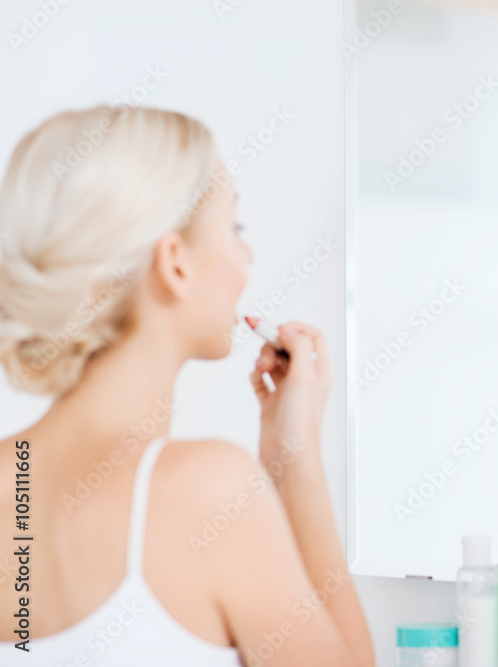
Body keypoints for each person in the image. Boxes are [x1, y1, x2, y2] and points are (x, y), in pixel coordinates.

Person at [0, 105, 374, 666]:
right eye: (235, 228)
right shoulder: (208, 491)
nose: (247, 256)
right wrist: (295, 460)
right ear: (174, 263)